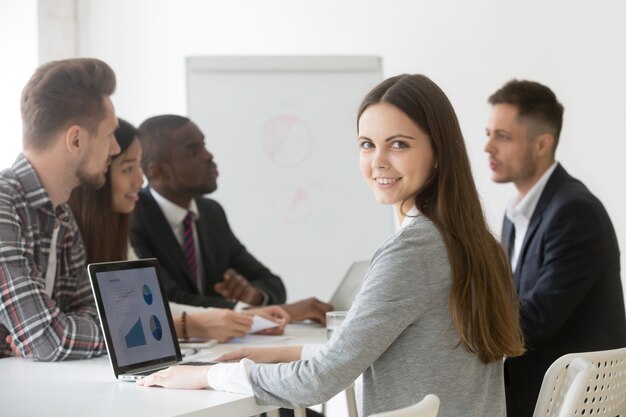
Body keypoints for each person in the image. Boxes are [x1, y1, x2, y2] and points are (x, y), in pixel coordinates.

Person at [136, 74, 525, 417]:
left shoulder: (413, 252)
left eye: (399, 145)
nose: (378, 162)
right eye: (367, 144)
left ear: (438, 152)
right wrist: (276, 354)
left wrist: (207, 374)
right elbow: (387, 355)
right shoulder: (478, 245)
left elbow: (318, 383)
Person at [67, 118, 289, 342]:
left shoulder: (211, 213)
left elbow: (150, 305)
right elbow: (153, 302)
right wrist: (196, 324)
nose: (140, 180)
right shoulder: (132, 217)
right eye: (127, 168)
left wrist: (245, 312)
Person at [485, 79, 626, 417]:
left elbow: (534, 321)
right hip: (533, 389)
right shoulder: (516, 213)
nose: (488, 147)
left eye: (502, 137)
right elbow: (510, 304)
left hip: (564, 401)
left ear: (542, 144)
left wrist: (460, 319)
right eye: (487, 134)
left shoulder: (574, 212)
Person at [130, 115, 333, 323]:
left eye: (204, 145)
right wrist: (258, 312)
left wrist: (253, 295)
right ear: (159, 171)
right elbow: (165, 299)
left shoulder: (211, 213)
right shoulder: (133, 218)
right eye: (193, 150)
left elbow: (271, 283)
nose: (208, 155)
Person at [0, 58, 120, 360]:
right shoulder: (3, 204)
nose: (116, 149)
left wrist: (57, 331)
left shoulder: (61, 215)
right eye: (109, 135)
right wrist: (117, 334)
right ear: (76, 139)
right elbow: (49, 339)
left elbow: (92, 311)